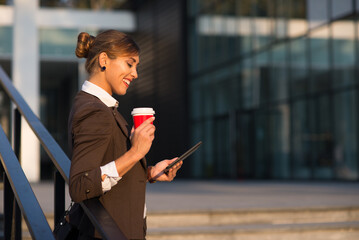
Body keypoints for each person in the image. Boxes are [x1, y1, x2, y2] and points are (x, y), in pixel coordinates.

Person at [67, 29, 183, 240]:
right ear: (104, 60)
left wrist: (149, 172)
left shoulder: (98, 106)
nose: (135, 73)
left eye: (136, 66)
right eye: (130, 64)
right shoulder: (94, 111)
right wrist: (135, 152)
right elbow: (79, 185)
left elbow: (105, 163)